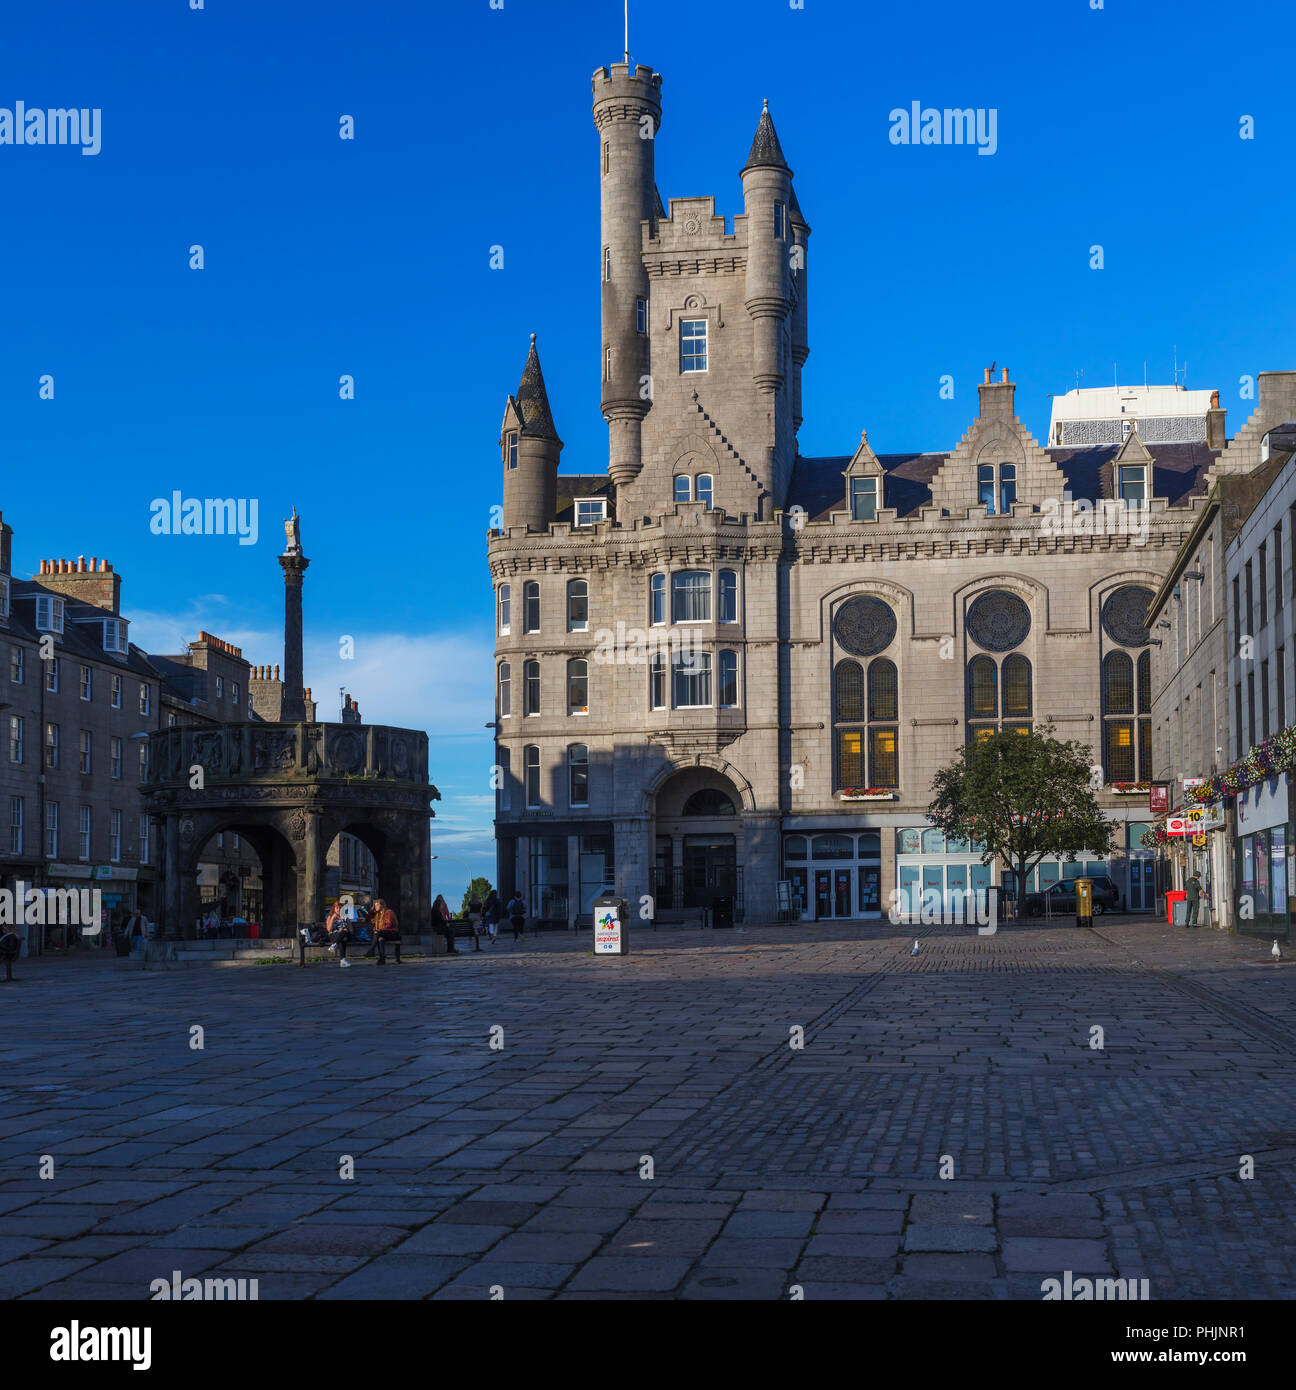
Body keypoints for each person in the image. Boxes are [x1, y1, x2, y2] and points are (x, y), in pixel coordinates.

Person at [370, 899, 402, 964]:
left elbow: (389, 924)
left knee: (378, 933)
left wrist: (380, 930)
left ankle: (371, 950)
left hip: (393, 933)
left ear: (382, 905)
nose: (376, 907)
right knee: (380, 938)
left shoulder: (389, 912)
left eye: (377, 905)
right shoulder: (378, 915)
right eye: (375, 905)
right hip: (383, 933)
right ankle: (382, 958)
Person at [324, 901, 353, 966]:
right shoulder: (330, 917)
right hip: (334, 935)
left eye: (340, 908)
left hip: (345, 934)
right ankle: (343, 961)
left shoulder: (346, 918)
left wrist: (346, 929)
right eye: (337, 908)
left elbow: (351, 930)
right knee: (343, 938)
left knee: (343, 934)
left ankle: (334, 945)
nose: (339, 909)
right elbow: (329, 930)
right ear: (334, 909)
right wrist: (332, 918)